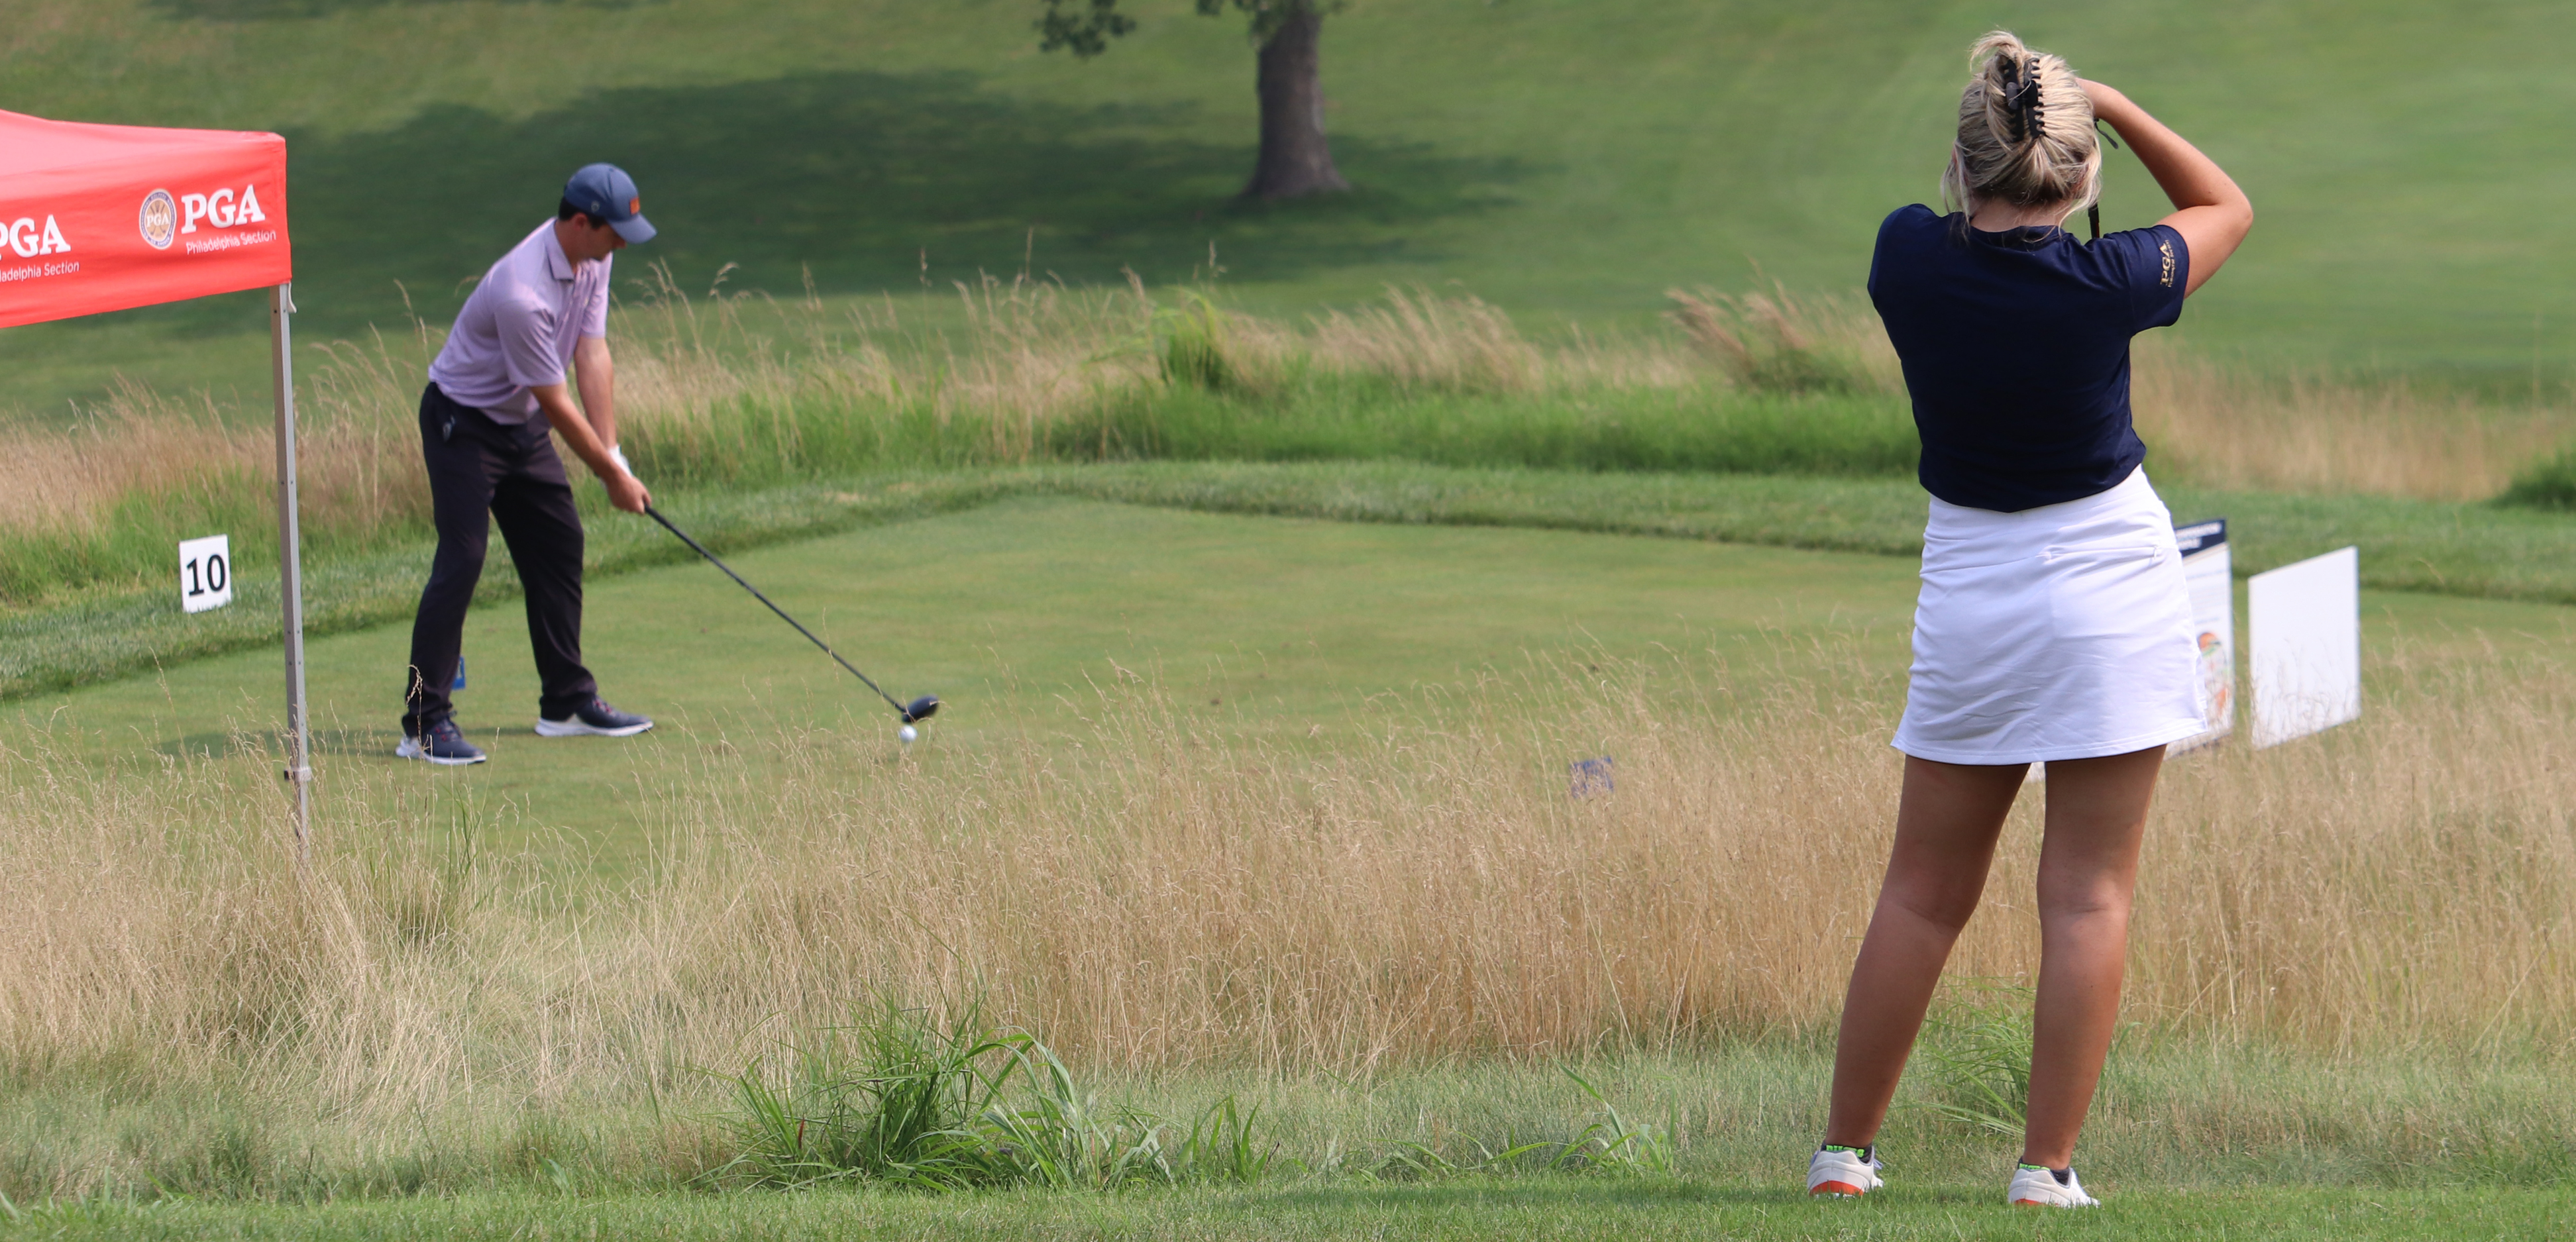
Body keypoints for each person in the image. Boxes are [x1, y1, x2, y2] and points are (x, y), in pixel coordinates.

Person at [1803, 32, 2253, 1208]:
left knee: (1920, 890)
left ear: (1967, 163)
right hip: (2109, 582)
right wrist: (2110, 103)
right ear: (2078, 171)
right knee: (2088, 893)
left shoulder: (1904, 255)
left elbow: (1951, 206)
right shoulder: (2111, 282)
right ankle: (2042, 1170)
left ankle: (1842, 1156)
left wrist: (2004, 136)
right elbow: (2224, 204)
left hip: (1970, 592)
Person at [396, 164, 663, 766]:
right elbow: (556, 400)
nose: (622, 242)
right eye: (614, 231)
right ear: (579, 222)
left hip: (519, 426)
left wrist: (615, 456)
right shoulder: (522, 292)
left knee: (560, 541)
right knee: (462, 559)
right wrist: (609, 477)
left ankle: (566, 702)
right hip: (462, 425)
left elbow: (591, 353)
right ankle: (422, 720)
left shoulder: (595, 257)